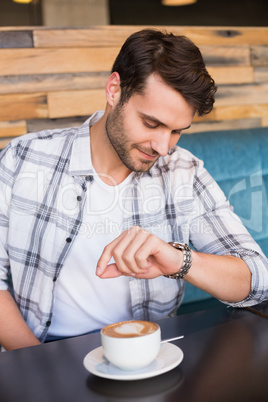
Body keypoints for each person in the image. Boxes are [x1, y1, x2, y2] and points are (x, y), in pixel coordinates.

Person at [0, 29, 267, 351]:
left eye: (177, 131)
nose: (163, 148)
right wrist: (36, 362)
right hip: (42, 351)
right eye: (151, 124)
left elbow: (257, 281)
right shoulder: (23, 159)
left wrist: (180, 261)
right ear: (114, 90)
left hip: (151, 355)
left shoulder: (184, 172)